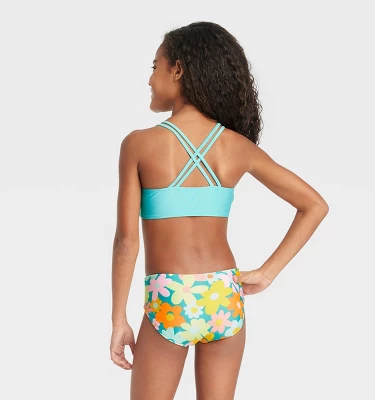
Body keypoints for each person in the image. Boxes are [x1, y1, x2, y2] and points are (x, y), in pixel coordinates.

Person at [110, 21, 329, 400]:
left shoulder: (139, 144)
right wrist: (267, 273)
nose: (149, 79)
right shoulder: (235, 146)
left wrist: (118, 320)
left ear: (178, 70)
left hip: (170, 298)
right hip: (223, 295)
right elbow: (314, 205)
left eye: (155, 66)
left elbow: (127, 241)